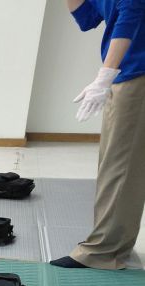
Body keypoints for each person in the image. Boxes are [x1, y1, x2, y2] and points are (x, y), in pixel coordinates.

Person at [52, 0, 145, 270]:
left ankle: (105, 251)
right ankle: (110, 245)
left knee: (121, 165)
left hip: (135, 71)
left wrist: (105, 75)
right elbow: (87, 19)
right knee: (118, 163)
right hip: (126, 71)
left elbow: (133, 10)